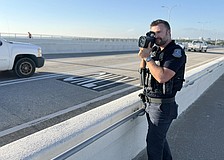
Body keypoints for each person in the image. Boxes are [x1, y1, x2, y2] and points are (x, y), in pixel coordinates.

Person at [138, 19, 186, 160]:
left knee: (153, 143)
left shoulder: (176, 52)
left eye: (159, 32)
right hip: (150, 103)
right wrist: (145, 51)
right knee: (160, 139)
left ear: (168, 32)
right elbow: (143, 72)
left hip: (162, 106)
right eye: (153, 33)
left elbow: (162, 77)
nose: (156, 36)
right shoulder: (156, 51)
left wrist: (147, 58)